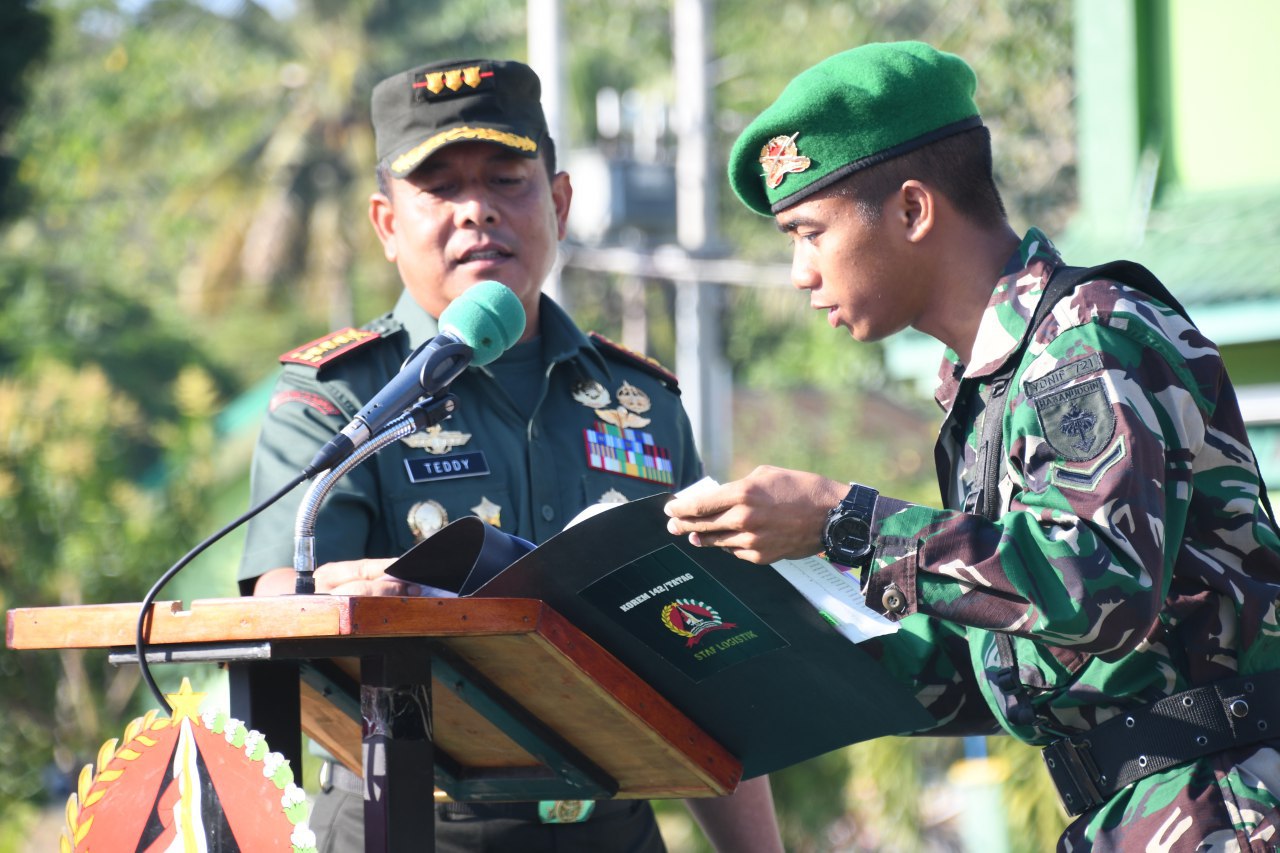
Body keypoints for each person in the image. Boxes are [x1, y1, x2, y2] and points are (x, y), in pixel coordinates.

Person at [664, 40, 1280, 850]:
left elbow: (1100, 585)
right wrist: (754, 643)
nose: (798, 274)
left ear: (914, 210)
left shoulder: (1084, 337)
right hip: (1145, 809)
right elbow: (1001, 654)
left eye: (810, 233)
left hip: (1222, 801)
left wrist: (845, 525)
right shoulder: (992, 385)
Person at [237, 57, 783, 853]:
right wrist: (342, 588)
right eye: (442, 187)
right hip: (407, 826)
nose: (477, 212)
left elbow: (707, 652)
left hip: (615, 828)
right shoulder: (337, 400)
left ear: (558, 203)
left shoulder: (642, 401)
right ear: (388, 223)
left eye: (507, 180)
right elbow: (277, 593)